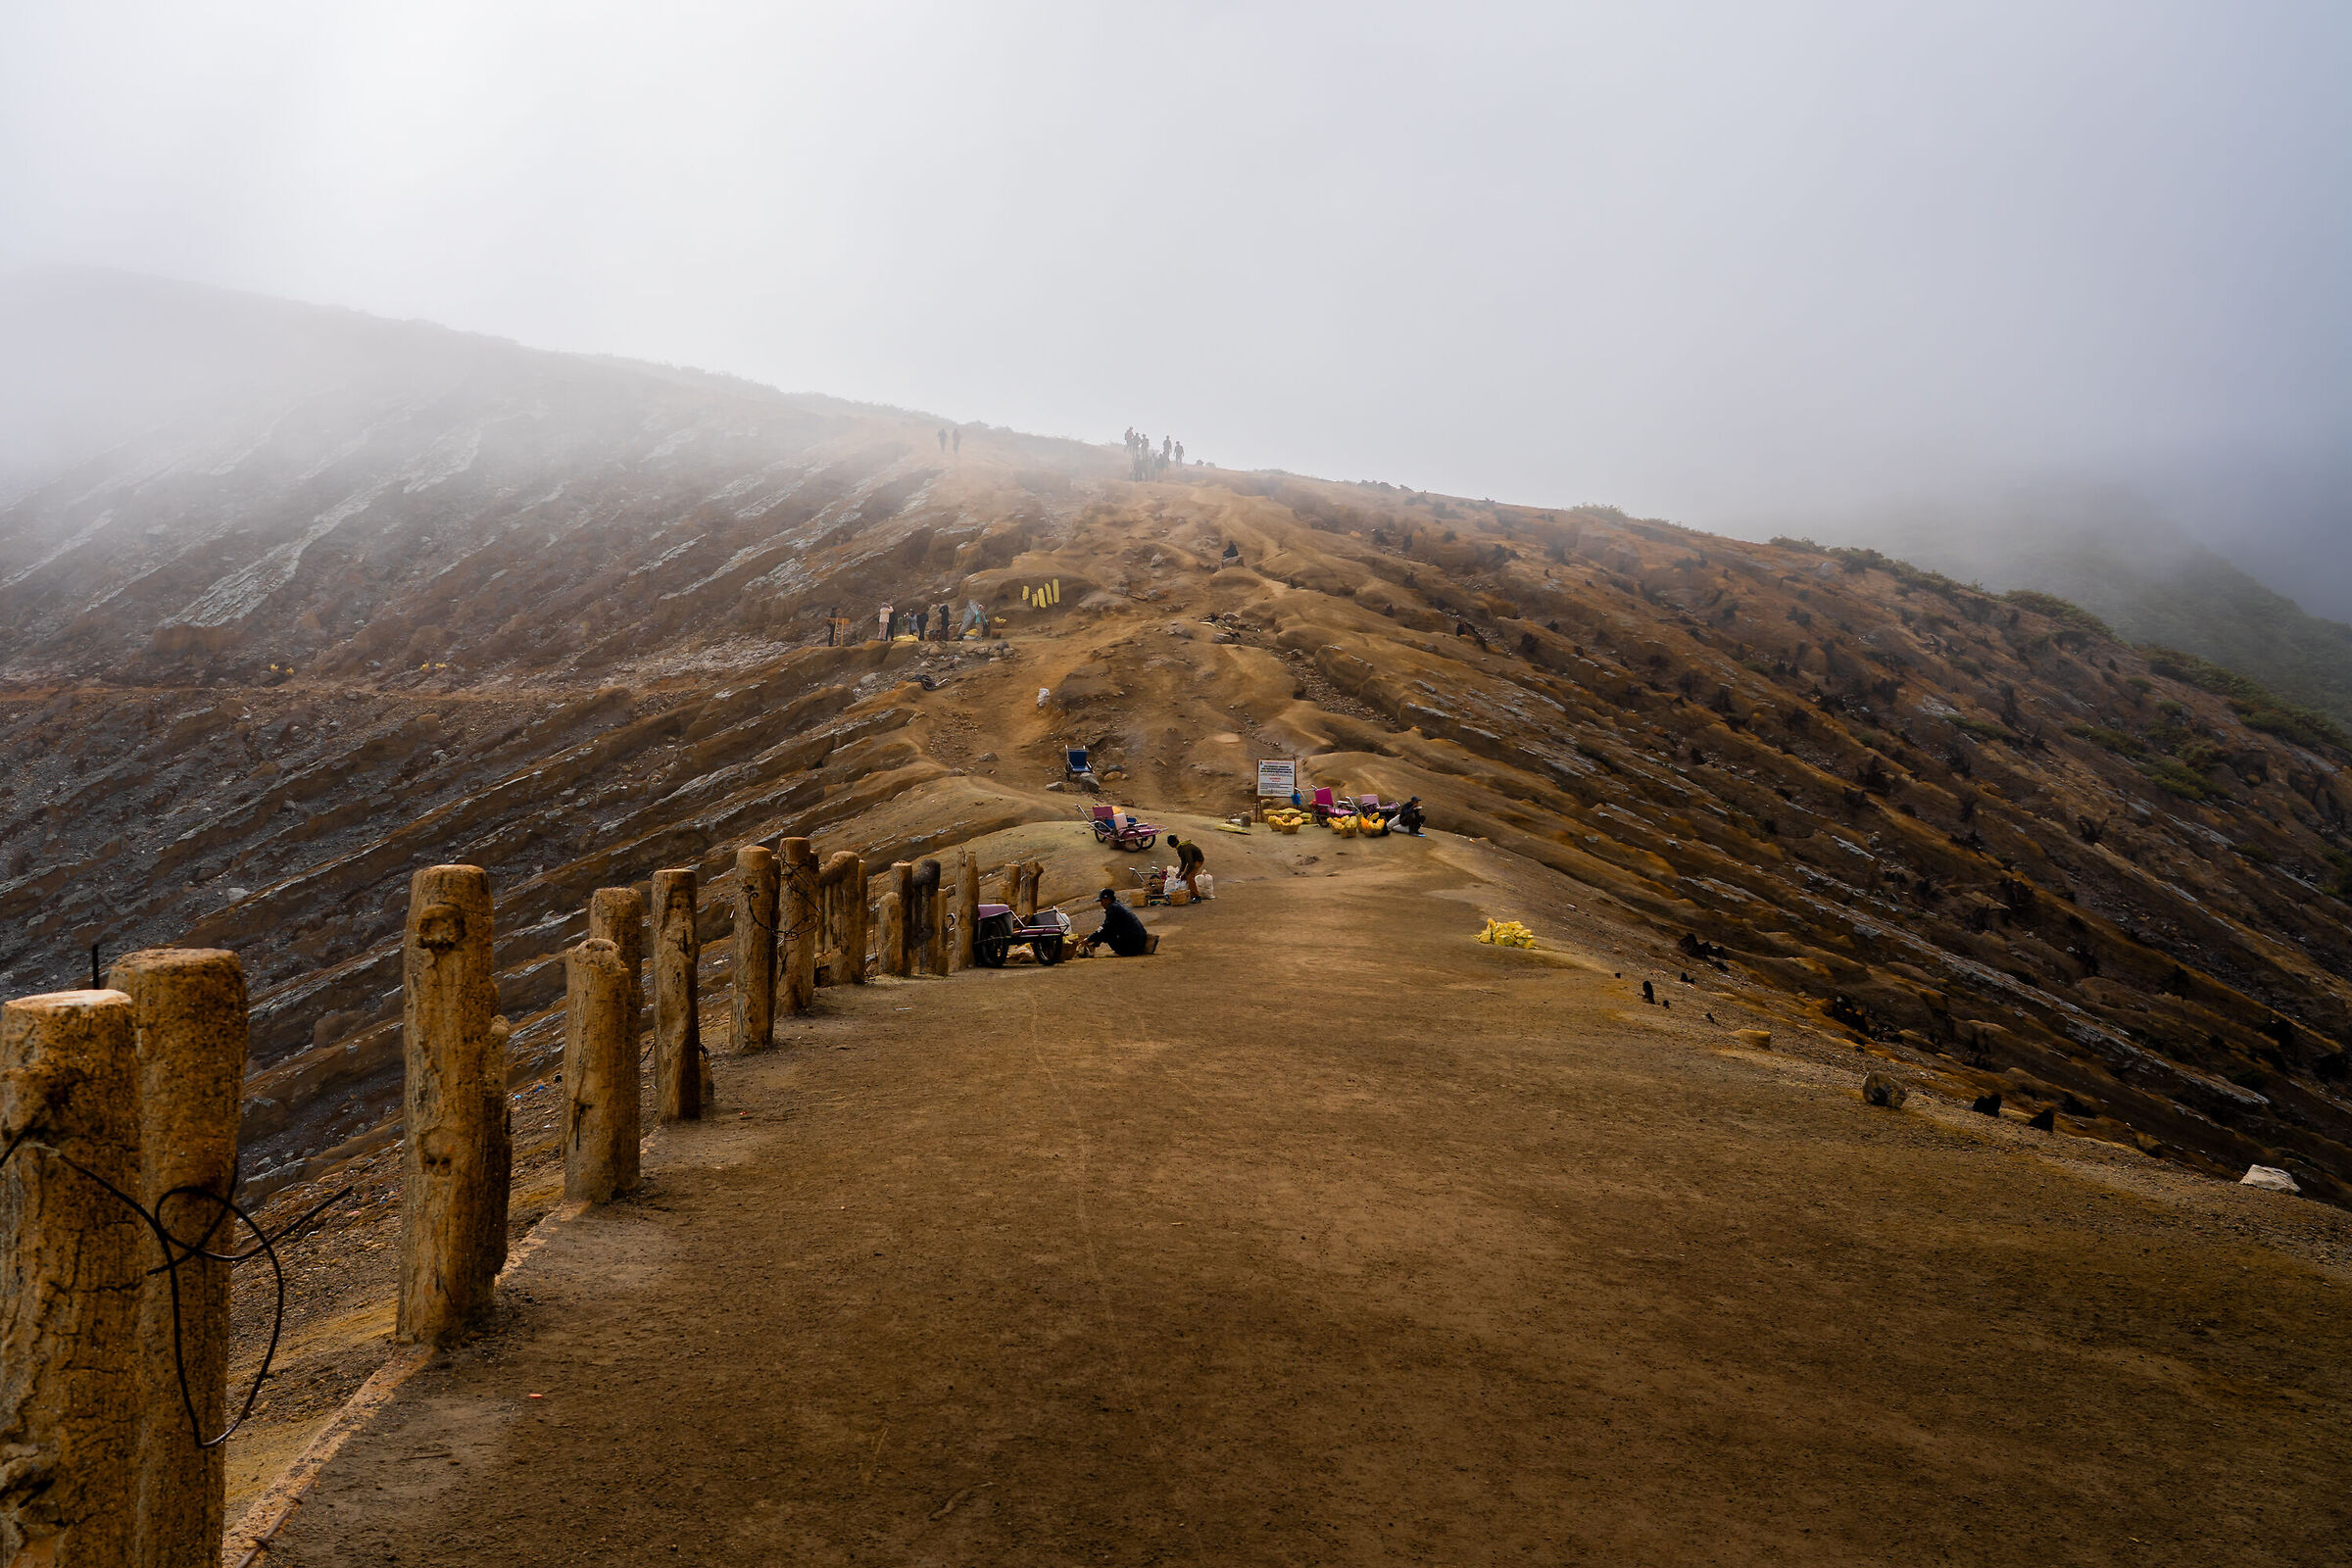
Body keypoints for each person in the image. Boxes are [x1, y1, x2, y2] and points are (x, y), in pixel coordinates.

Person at [1081, 888, 1153, 956]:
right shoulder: (1118, 905)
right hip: (1140, 943)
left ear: (1107, 899)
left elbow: (1105, 928)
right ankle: (1093, 945)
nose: (1101, 904)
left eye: (1102, 901)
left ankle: (1121, 951)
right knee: (1106, 930)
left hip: (1132, 946)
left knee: (1106, 932)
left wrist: (1089, 939)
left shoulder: (1113, 909)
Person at [1166, 833, 1205, 897]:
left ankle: (1196, 896)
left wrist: (1185, 873)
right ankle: (1190, 892)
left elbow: (1191, 864)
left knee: (1190, 877)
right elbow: (1183, 862)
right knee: (1186, 876)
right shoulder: (1180, 848)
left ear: (1171, 845)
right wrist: (1180, 872)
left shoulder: (1184, 849)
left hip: (1198, 860)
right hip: (1193, 861)